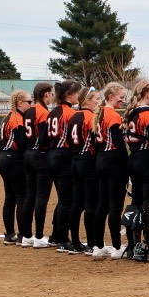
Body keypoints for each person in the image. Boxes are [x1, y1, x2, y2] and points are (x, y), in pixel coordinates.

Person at [123, 81, 149, 261]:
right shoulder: (147, 114)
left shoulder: (131, 112)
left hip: (134, 159)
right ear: (147, 93)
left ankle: (134, 246)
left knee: (137, 202)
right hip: (148, 161)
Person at [93, 83, 130, 260]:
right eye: (120, 97)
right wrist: (127, 165)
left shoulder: (99, 113)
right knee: (114, 206)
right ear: (110, 97)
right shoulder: (112, 115)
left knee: (102, 205)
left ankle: (98, 246)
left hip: (101, 159)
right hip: (113, 161)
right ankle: (116, 247)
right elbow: (119, 144)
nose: (123, 100)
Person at [47, 80, 82, 253]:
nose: (78, 96)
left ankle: (55, 235)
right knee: (67, 200)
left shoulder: (52, 112)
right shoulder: (69, 113)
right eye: (76, 93)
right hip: (64, 155)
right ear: (69, 95)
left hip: (53, 155)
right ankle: (62, 239)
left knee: (63, 199)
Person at [0, 90, 31, 245]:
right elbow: (21, 142)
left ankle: (9, 234)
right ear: (20, 103)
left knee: (10, 197)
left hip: (4, 158)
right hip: (13, 159)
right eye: (29, 102)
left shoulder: (9, 116)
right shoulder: (17, 118)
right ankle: (23, 235)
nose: (31, 104)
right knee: (22, 197)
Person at [69, 87, 100, 256]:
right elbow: (96, 142)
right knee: (90, 204)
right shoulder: (90, 117)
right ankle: (91, 243)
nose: (98, 102)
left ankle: (74, 242)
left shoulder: (74, 116)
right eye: (95, 98)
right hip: (87, 160)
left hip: (75, 160)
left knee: (77, 203)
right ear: (86, 100)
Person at [26, 83, 55, 248]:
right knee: (41, 196)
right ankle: (38, 236)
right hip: (40, 154)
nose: (51, 97)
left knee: (30, 195)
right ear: (45, 94)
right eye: (50, 94)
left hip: (28, 154)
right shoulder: (43, 112)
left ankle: (27, 236)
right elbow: (44, 138)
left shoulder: (29, 110)